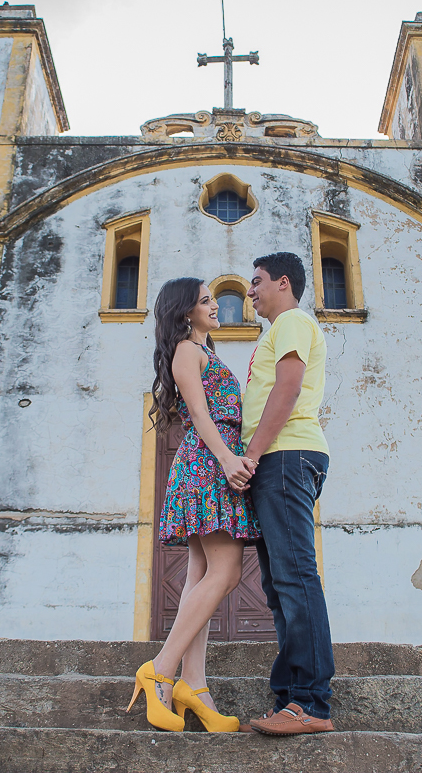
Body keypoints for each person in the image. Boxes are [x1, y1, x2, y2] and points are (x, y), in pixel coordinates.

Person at [127, 277, 261, 732]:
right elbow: (200, 414)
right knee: (224, 572)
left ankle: (195, 685)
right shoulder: (188, 350)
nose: (216, 305)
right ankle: (159, 669)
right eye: (207, 301)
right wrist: (226, 460)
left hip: (209, 462)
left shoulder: (206, 352)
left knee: (201, 576)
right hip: (208, 463)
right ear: (185, 312)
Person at [241, 252, 336, 735]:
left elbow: (289, 387)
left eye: (256, 282)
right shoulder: (274, 331)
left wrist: (253, 454)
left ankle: (311, 704)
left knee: (295, 578)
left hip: (285, 456)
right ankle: (291, 699)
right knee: (279, 586)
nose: (249, 290)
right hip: (276, 461)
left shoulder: (294, 320)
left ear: (282, 282)